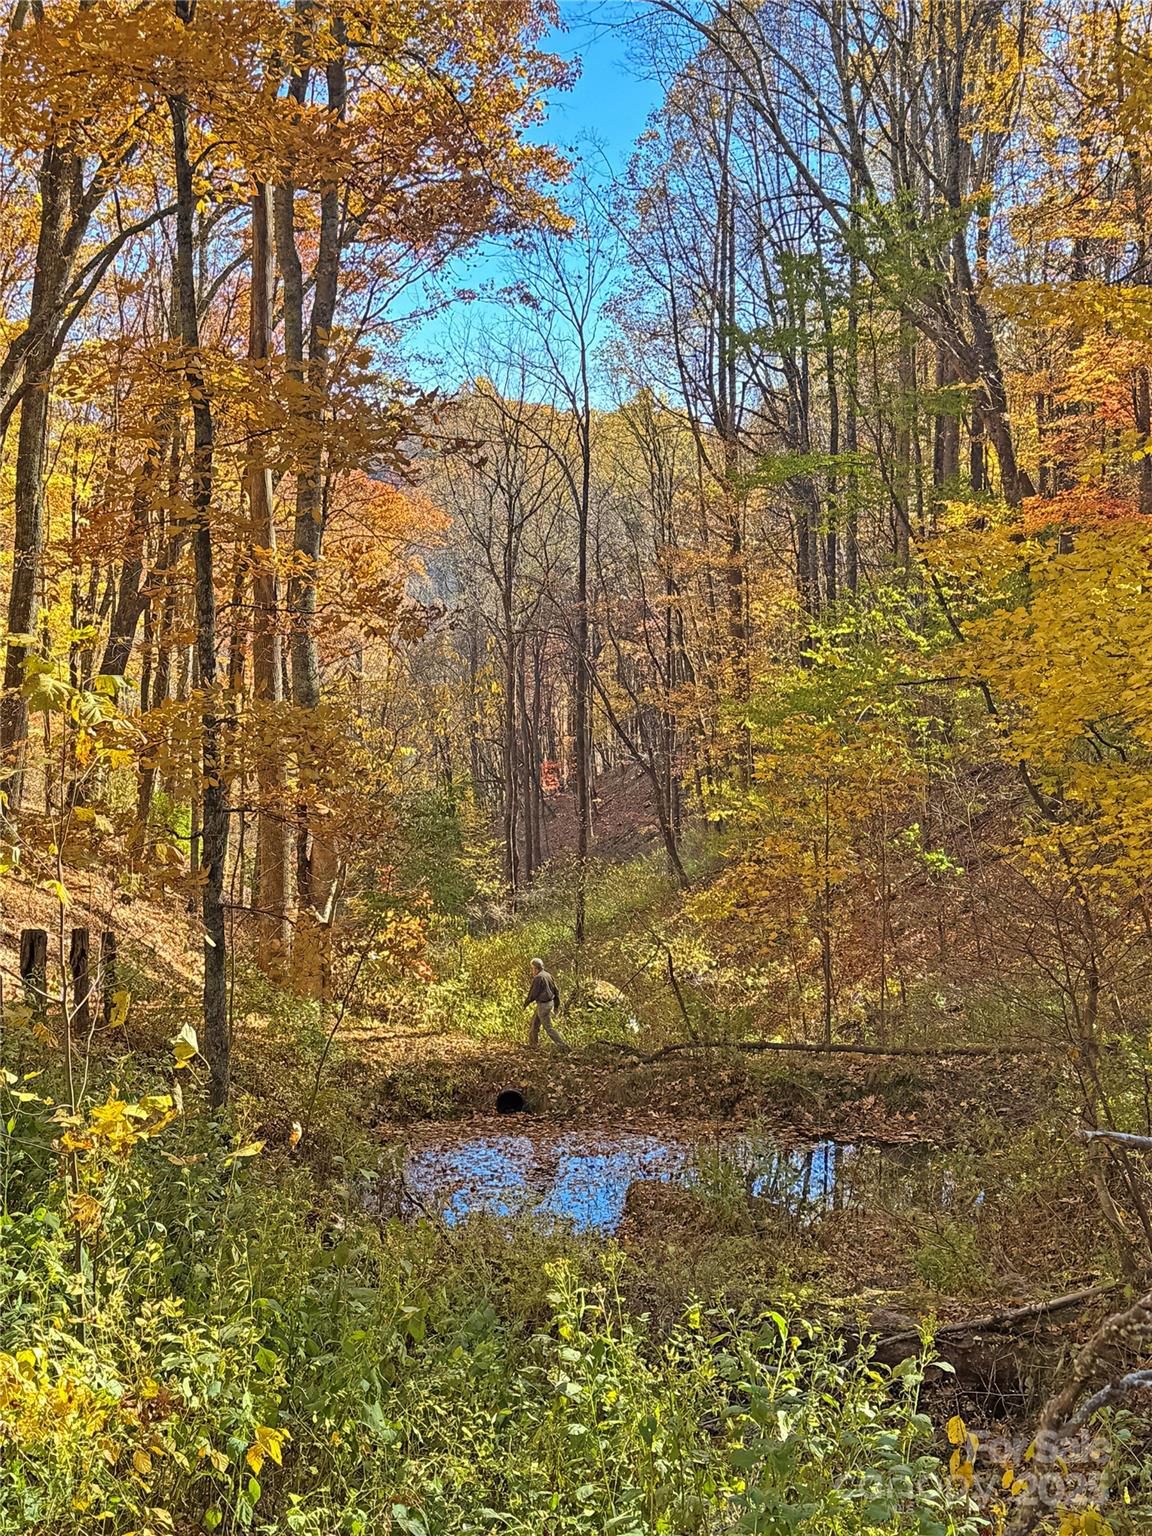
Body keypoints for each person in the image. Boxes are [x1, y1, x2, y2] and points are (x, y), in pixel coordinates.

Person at [524, 957, 568, 1049]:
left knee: (548, 1027)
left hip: (543, 1005)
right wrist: (556, 1005)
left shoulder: (538, 978)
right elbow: (556, 991)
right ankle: (533, 1045)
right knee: (534, 1023)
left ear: (536, 968)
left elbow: (533, 993)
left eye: (532, 968)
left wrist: (526, 1003)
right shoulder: (548, 975)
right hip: (548, 1003)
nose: (532, 971)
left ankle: (563, 1046)